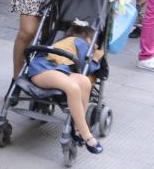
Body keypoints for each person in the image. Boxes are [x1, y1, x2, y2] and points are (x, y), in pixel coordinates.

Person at [23, 23, 104, 154]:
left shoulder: (65, 42)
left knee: (84, 82)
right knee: (73, 88)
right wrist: (96, 54)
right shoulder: (79, 41)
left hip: (55, 69)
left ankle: (78, 127)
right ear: (86, 36)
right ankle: (86, 134)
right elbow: (87, 66)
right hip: (44, 69)